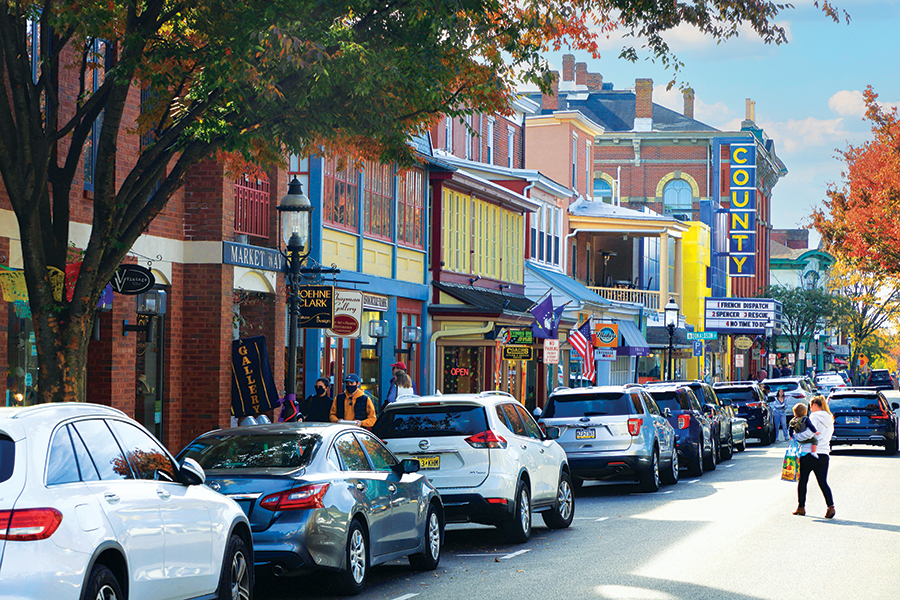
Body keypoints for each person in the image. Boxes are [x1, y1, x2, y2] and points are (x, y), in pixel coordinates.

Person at [791, 396, 835, 519]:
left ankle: (801, 507)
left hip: (808, 453)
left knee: (803, 480)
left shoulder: (814, 417)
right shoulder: (829, 418)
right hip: (824, 453)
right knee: (822, 481)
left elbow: (809, 433)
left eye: (811, 406)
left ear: (815, 405)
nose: (810, 409)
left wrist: (796, 436)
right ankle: (830, 506)